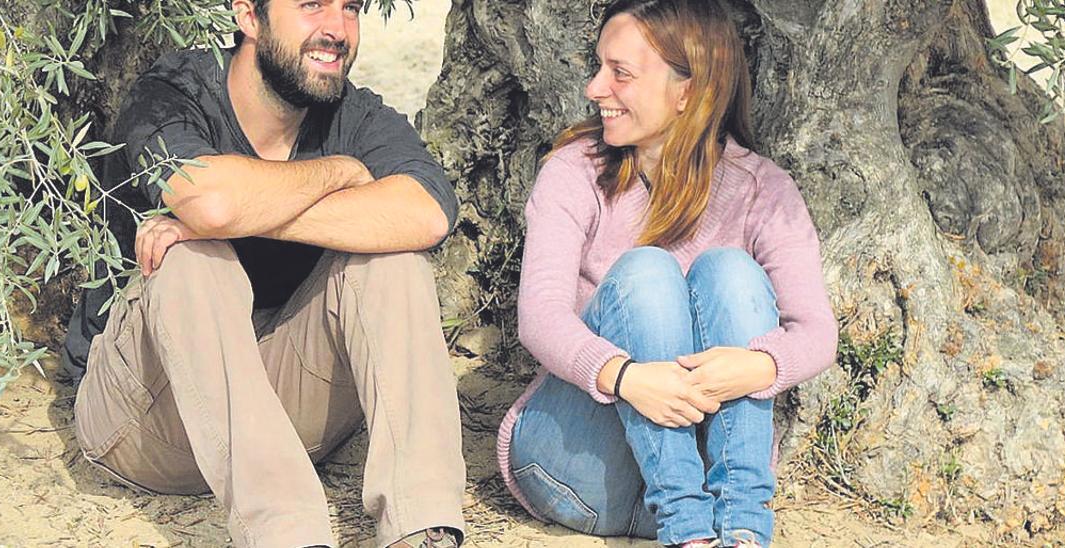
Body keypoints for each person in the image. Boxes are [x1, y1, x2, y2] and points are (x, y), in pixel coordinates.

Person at [60, 1, 466, 546]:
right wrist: (340, 176)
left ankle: (422, 526)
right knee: (188, 258)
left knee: (392, 258)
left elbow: (427, 214)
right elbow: (210, 201)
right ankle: (289, 535)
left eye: (349, 8)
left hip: (283, 416)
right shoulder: (172, 93)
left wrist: (239, 217)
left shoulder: (356, 116)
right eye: (311, 5)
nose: (336, 29)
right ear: (249, 16)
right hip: (143, 420)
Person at [497, 0, 838, 546]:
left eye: (620, 73)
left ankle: (742, 528)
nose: (594, 88)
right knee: (647, 271)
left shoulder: (762, 191)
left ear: (688, 91)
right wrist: (632, 379)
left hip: (711, 486)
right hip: (577, 470)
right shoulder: (575, 172)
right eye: (599, 66)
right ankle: (686, 529)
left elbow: (818, 332)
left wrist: (756, 365)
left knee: (731, 271)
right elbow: (539, 317)